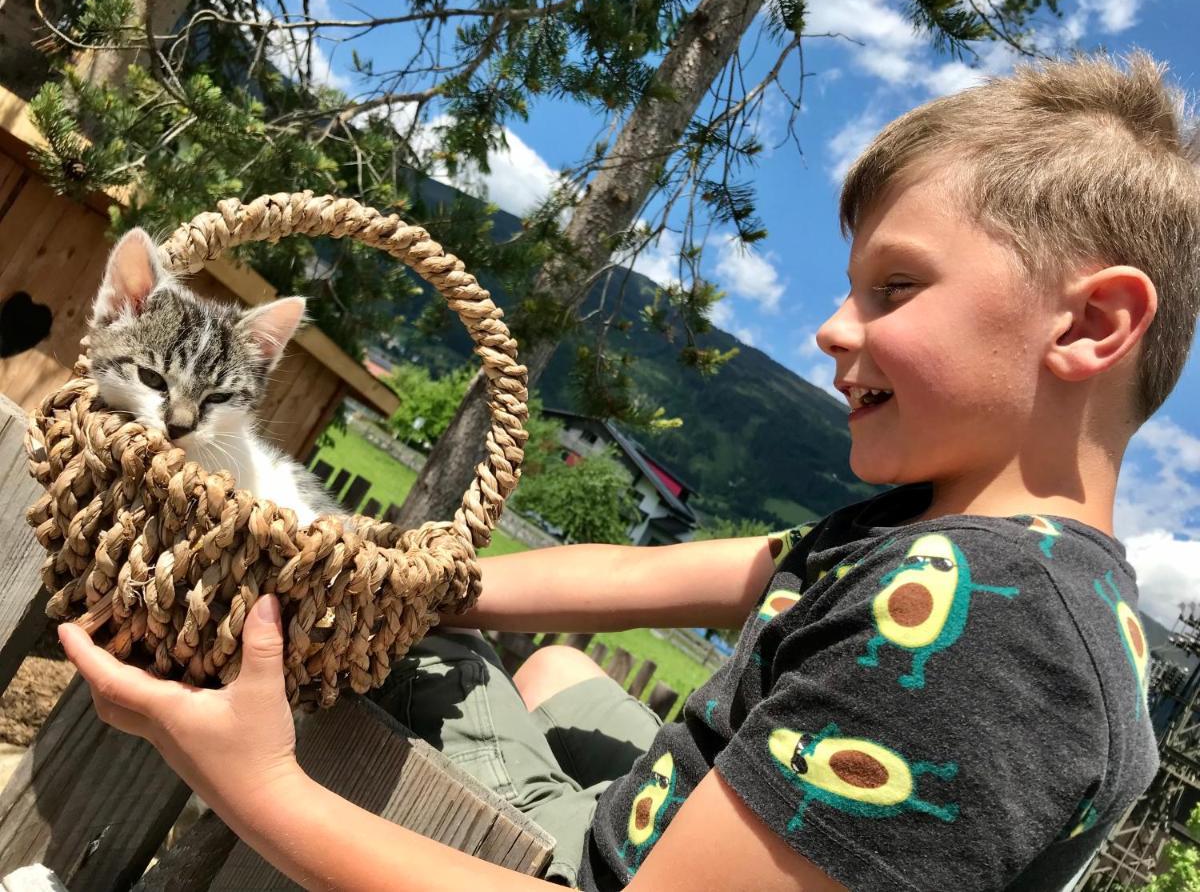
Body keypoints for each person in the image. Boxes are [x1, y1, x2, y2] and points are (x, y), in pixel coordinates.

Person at [59, 50, 1195, 891]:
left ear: (1092, 325)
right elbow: (645, 576)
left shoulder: (992, 639)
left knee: (332, 683)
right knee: (548, 663)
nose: (833, 332)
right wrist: (412, 579)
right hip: (656, 816)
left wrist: (260, 786)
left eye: (894, 289)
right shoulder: (951, 552)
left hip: (582, 872)